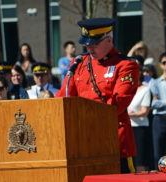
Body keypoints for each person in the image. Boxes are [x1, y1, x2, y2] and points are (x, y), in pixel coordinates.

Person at [55, 18, 139, 173]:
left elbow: (117, 104)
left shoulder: (125, 65)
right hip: (82, 143)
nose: (89, 48)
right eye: (86, 44)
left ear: (108, 40)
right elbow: (63, 97)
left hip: (114, 141)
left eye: (94, 44)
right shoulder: (78, 63)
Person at [128, 69, 151, 172]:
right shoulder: (128, 89)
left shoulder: (145, 90)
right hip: (128, 126)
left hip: (140, 128)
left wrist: (129, 114)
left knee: (140, 160)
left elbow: (145, 111)